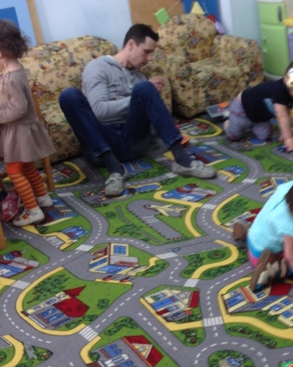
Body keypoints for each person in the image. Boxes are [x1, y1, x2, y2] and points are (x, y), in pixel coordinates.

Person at [59, 23, 216, 197]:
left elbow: (150, 125)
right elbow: (100, 112)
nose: (149, 59)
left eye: (151, 53)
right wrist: (132, 101)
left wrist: (139, 98)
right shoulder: (97, 67)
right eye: (146, 52)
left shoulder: (140, 79)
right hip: (102, 145)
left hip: (132, 142)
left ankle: (182, 159)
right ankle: (115, 169)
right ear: (131, 44)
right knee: (68, 96)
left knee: (144, 87)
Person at [0, 20, 55, 226]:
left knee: (14, 171)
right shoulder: (17, 70)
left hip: (18, 132)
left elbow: (19, 108)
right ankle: (42, 197)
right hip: (24, 129)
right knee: (27, 166)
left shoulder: (10, 79)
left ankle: (33, 210)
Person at [245, 174, 293, 291]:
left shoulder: (288, 187)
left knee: (276, 229)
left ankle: (246, 232)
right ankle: (276, 266)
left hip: (254, 237)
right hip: (261, 256)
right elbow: (292, 256)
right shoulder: (291, 227)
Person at [223, 59, 293, 151]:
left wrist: (284, 132)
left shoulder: (290, 94)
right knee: (234, 135)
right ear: (290, 81)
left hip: (259, 117)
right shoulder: (279, 91)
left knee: (265, 136)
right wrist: (289, 138)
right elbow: (282, 116)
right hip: (242, 109)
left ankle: (252, 125)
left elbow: (287, 113)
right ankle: (227, 121)